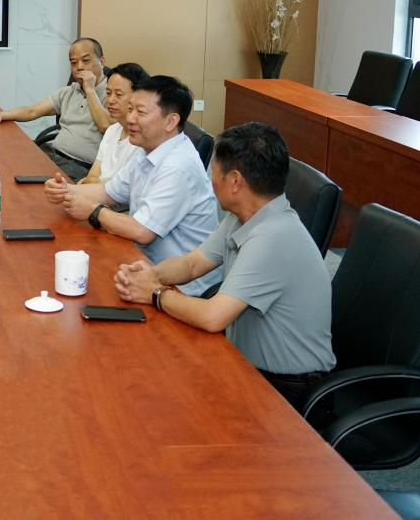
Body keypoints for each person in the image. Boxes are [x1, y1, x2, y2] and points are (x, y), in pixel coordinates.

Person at [113, 123, 335, 408]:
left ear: (235, 181)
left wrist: (154, 294)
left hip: (286, 390)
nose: (211, 179)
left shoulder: (273, 237)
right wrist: (148, 275)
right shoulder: (245, 216)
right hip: (243, 362)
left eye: (214, 172)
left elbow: (212, 317)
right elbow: (193, 264)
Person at [48, 75, 221, 296]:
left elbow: (142, 231)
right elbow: (108, 192)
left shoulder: (179, 166)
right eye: (130, 109)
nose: (130, 118)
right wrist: (65, 189)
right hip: (141, 263)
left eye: (140, 112)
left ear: (171, 122)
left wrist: (93, 211)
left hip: (182, 287)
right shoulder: (148, 149)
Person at [0, 37, 111, 180]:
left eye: (86, 60)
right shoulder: (68, 92)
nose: (79, 67)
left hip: (79, 166)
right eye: (73, 62)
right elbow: (32, 111)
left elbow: (105, 126)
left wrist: (90, 91)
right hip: (52, 153)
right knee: (6, 163)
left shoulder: (112, 94)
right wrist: (1, 115)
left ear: (102, 62)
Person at [79, 62, 148, 186]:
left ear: (138, 96)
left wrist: (90, 184)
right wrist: (90, 183)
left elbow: (122, 189)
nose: (110, 101)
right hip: (95, 192)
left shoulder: (143, 142)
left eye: (119, 94)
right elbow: (92, 175)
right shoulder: (112, 130)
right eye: (108, 93)